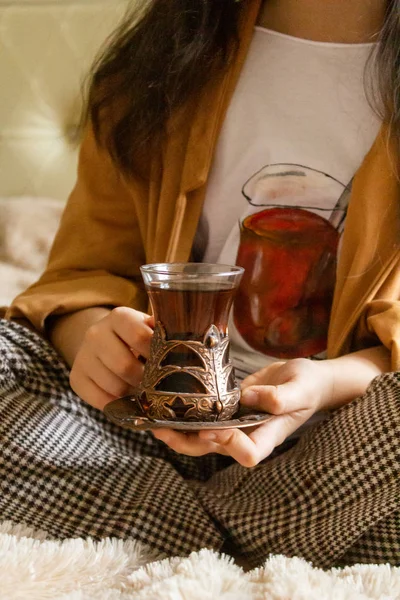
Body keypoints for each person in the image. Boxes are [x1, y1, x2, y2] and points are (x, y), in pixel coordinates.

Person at [1, 0, 399, 569]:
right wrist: (92, 338)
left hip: (339, 443)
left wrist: (329, 382)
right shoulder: (156, 64)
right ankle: (264, 536)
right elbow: (84, 272)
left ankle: (150, 523)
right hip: (141, 426)